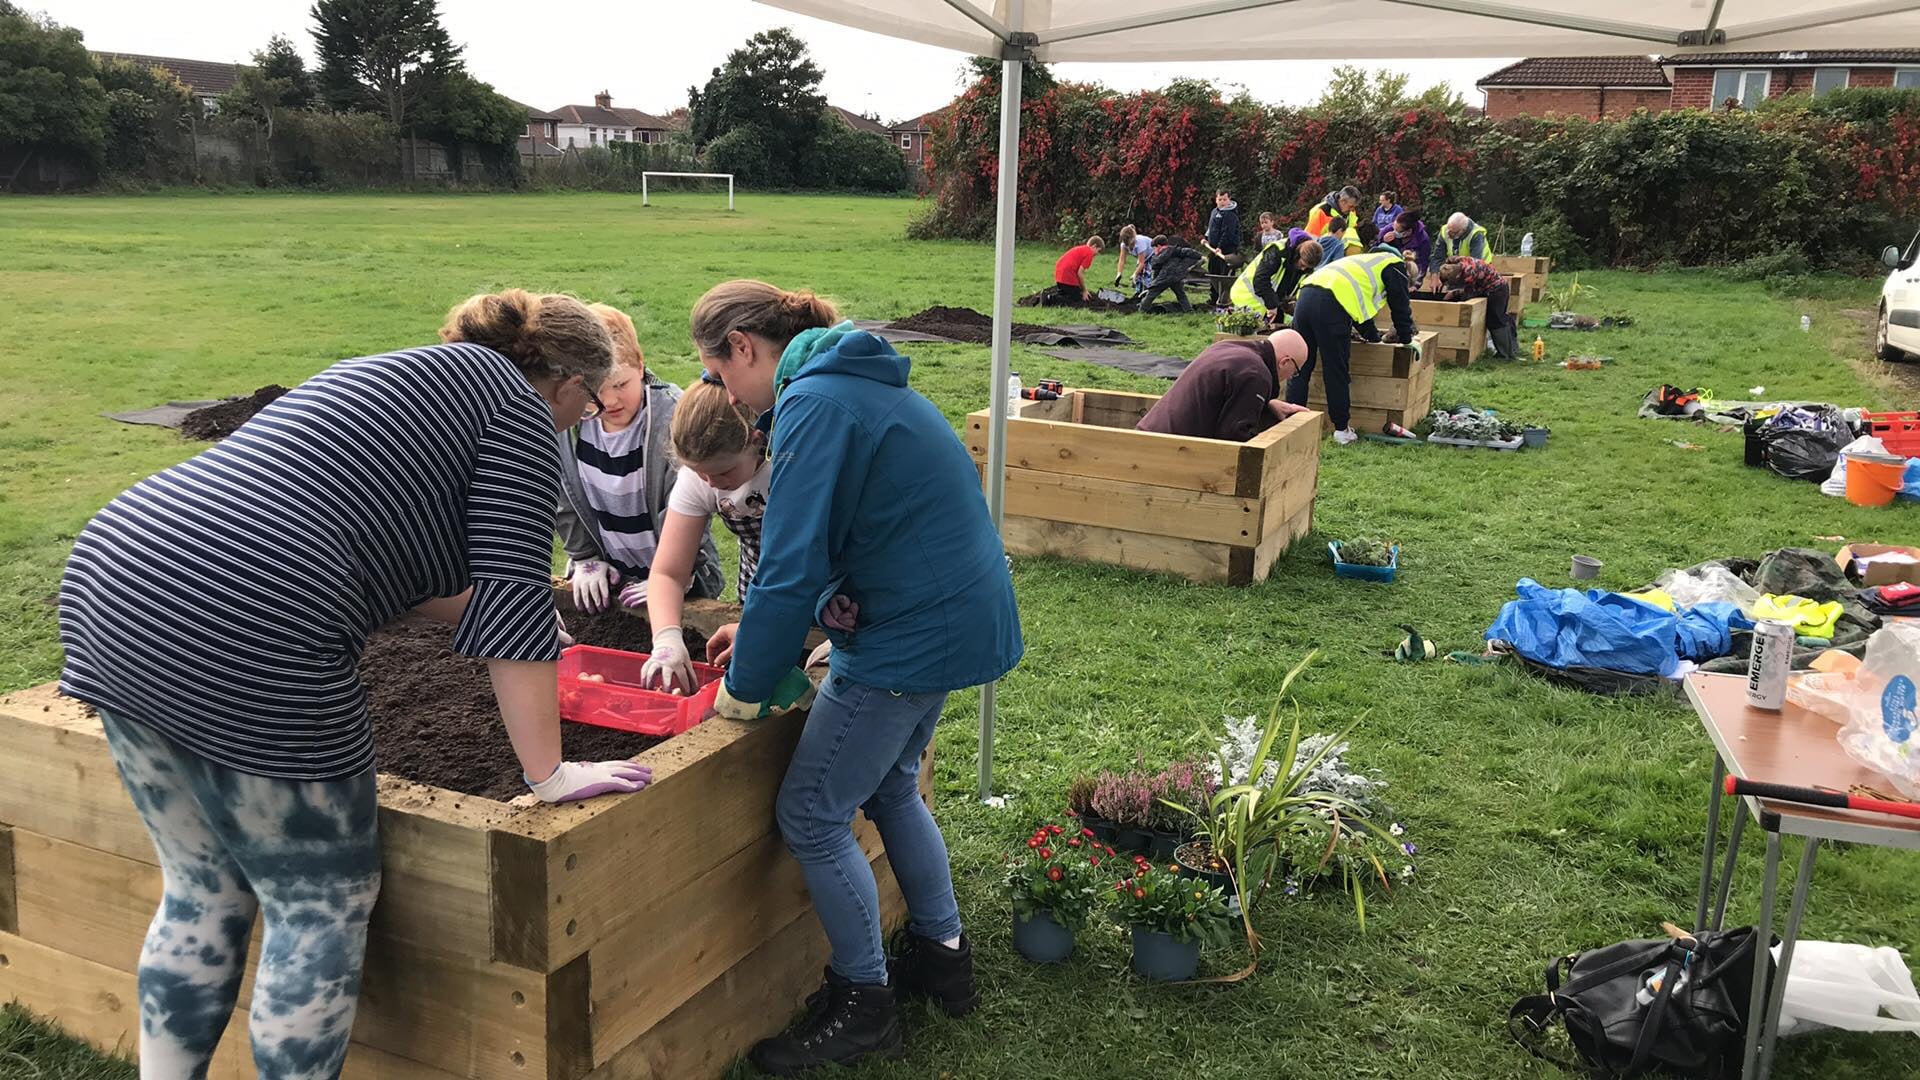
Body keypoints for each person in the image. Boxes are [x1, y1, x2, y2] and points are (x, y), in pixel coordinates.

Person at [56, 290, 653, 1080]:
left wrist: (511, 619)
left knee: (202, 888)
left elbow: (388, 565)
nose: (580, 423)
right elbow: (512, 605)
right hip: (251, 619)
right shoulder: (519, 417)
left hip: (118, 575)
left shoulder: (391, 374)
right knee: (319, 908)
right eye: (584, 406)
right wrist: (549, 773)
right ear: (566, 380)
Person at [687, 280, 1022, 1074]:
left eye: (714, 373)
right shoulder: (843, 384)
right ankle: (943, 957)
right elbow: (849, 537)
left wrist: (742, 697)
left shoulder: (816, 402)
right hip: (947, 614)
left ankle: (862, 1003)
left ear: (743, 348)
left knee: (810, 811)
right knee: (893, 785)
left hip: (911, 635)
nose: (720, 394)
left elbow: (792, 560)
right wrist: (776, 630)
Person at [556, 302, 723, 613]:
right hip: (612, 577)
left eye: (621, 384)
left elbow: (689, 505)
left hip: (681, 580)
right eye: (595, 390)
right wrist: (585, 558)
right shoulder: (569, 421)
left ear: (641, 365)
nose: (609, 401)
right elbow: (563, 497)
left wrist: (674, 576)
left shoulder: (673, 419)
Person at [637, 377, 773, 693]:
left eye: (723, 472)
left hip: (828, 596)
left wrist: (765, 628)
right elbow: (669, 572)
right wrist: (667, 638)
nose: (710, 482)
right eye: (700, 472)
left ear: (757, 440)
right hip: (757, 590)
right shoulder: (701, 477)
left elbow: (809, 564)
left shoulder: (788, 467)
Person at [1284, 245, 1421, 445]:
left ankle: (1291, 424)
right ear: (1407, 275)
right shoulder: (1395, 266)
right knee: (1335, 369)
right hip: (1331, 307)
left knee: (1301, 365)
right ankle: (1341, 430)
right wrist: (1407, 339)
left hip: (1305, 297)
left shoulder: (1363, 263)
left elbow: (1359, 309)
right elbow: (1400, 307)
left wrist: (1373, 337)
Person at [1136, 329, 1312, 441]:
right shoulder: (1256, 374)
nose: (1292, 376)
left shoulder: (1229, 347)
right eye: (1295, 371)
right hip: (1168, 452)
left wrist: (1267, 403)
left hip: (1149, 434)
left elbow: (1223, 393)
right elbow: (1234, 436)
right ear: (1285, 362)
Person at [1228, 227, 1324, 320]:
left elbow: (1288, 286)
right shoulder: (1277, 251)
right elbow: (1260, 279)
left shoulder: (1300, 261)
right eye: (1302, 264)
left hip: (1270, 305)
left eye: (1307, 267)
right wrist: (1272, 305)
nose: (1303, 269)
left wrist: (1289, 304)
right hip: (1247, 299)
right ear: (1297, 254)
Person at [1436, 255, 1520, 359]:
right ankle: (1511, 350)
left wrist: (1454, 296)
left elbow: (1470, 294)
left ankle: (1505, 354)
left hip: (1497, 290)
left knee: (1496, 321)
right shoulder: (1457, 261)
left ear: (1457, 277)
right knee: (1501, 318)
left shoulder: (1469, 274)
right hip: (1493, 287)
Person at [1135, 234, 1206, 314]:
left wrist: (1153, 284)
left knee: (1152, 293)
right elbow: (1187, 251)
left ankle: (1142, 310)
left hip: (1165, 277)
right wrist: (1200, 256)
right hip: (1177, 276)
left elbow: (1156, 270)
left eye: (1154, 248)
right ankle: (1189, 311)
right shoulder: (1175, 250)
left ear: (1158, 246)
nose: (1154, 251)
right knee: (1181, 295)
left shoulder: (1158, 257)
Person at [1201, 189, 1242, 306]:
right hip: (1213, 249)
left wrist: (1220, 247)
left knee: (1224, 275)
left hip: (1227, 251)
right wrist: (1206, 238)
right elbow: (1211, 228)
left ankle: (1225, 300)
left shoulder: (1231, 215)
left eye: (1225, 199)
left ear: (1229, 199)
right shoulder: (1214, 211)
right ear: (1216, 200)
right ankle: (1213, 298)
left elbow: (1227, 233)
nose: (1222, 202)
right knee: (1213, 272)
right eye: (1220, 199)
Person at [1048, 235, 1104, 305]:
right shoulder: (1089, 253)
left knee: (1067, 293)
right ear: (1094, 246)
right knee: (1077, 300)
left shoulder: (1081, 249)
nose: (1097, 254)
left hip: (1059, 275)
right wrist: (1084, 290)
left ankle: (1052, 297)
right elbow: (1080, 273)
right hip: (1067, 275)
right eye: (1098, 251)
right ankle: (1051, 299)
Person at [1381, 209, 1432, 280]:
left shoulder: (1423, 239)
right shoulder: (1387, 230)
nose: (1394, 231)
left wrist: (1416, 283)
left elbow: (1423, 263)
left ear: (1409, 231)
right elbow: (1375, 248)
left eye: (1397, 230)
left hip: (1410, 272)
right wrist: (1383, 241)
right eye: (1393, 227)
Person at [1112, 224, 1152, 291]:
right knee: (1138, 274)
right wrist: (1119, 273)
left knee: (1146, 273)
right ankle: (1138, 292)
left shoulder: (1140, 243)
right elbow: (1122, 260)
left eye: (1129, 243)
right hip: (1142, 257)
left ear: (1133, 238)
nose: (1127, 245)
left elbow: (1142, 262)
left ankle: (1147, 292)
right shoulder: (1124, 244)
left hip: (1152, 254)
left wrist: (1135, 274)